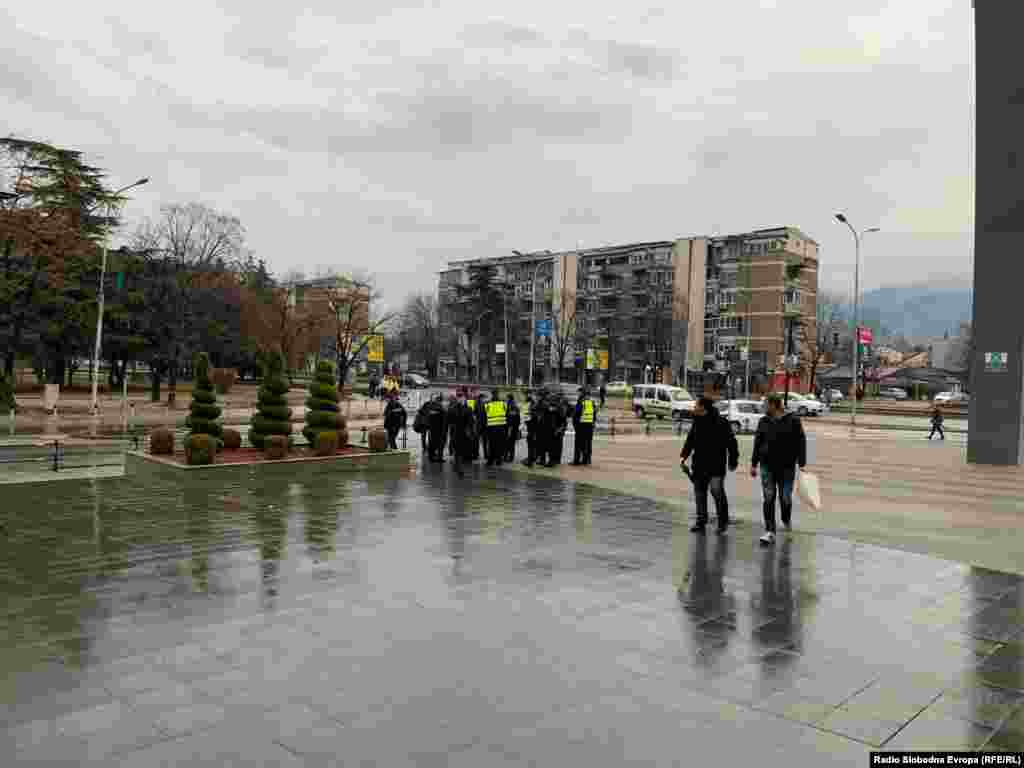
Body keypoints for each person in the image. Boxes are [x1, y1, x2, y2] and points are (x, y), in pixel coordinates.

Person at [751, 393, 807, 545]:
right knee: (768, 498)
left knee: (785, 498)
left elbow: (801, 441)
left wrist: (802, 463)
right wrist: (754, 464)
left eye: (765, 404)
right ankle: (770, 531)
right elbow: (758, 442)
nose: (763, 407)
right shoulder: (763, 421)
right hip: (767, 466)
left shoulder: (793, 420)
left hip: (787, 467)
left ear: (773, 405)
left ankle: (786, 519)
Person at [679, 397, 739, 534]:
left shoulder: (721, 422)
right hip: (699, 464)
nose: (694, 407)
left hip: (716, 465)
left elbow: (731, 443)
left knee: (716, 491)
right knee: (700, 493)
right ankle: (701, 521)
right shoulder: (697, 422)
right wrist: (683, 457)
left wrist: (733, 460)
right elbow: (690, 441)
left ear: (703, 407)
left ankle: (722, 522)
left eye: (696, 405)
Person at [447, 388, 476, 477]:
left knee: (462, 451)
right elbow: (448, 420)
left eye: (462, 397)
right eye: (459, 397)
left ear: (465, 398)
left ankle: (458, 466)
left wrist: (472, 432)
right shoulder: (453, 408)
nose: (460, 398)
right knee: (458, 451)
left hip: (464, 433)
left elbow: (471, 422)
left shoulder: (468, 409)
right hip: (456, 432)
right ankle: (459, 468)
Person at [572, 388, 596, 466]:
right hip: (590, 426)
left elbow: (576, 414)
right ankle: (586, 460)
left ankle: (576, 460)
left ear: (583, 394)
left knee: (578, 443)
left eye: (579, 393)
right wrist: (593, 423)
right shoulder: (592, 403)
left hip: (581, 426)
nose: (578, 394)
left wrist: (575, 425)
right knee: (588, 443)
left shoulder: (581, 402)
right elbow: (594, 414)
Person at [484, 388, 508, 467]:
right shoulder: (503, 403)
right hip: (501, 427)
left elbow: (484, 415)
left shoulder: (487, 404)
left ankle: (490, 460)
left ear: (492, 394)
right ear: (498, 394)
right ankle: (498, 460)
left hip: (491, 427)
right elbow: (507, 414)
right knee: (499, 444)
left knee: (491, 445)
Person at [426, 393, 448, 462]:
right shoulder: (435, 407)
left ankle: (437, 457)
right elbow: (431, 416)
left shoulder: (440, 407)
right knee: (435, 443)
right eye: (439, 400)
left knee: (438, 443)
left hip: (439, 428)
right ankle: (433, 457)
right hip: (436, 428)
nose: (441, 402)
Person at [523, 392, 540, 467]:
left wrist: (528, 417)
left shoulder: (533, 405)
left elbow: (530, 416)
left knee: (531, 443)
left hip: (532, 428)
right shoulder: (531, 404)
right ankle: (531, 458)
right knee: (531, 443)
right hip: (531, 427)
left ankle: (530, 460)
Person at [504, 393, 521, 463]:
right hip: (513, 427)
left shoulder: (512, 405)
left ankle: (510, 457)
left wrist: (510, 428)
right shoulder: (513, 405)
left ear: (509, 398)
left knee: (510, 442)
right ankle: (509, 456)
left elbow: (511, 417)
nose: (506, 399)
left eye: (506, 398)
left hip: (511, 427)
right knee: (511, 442)